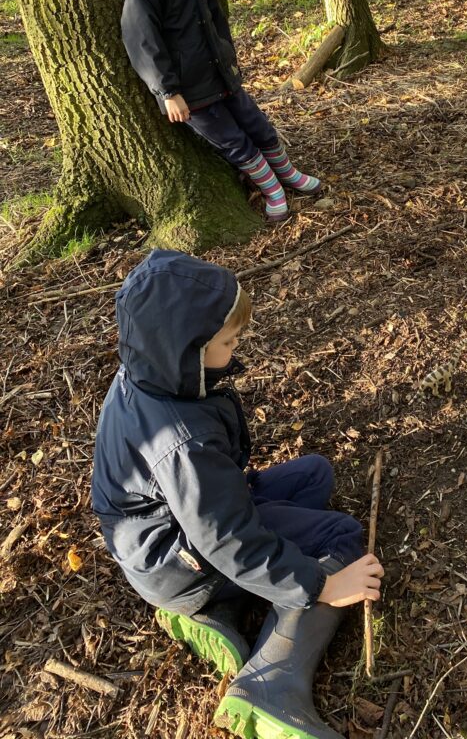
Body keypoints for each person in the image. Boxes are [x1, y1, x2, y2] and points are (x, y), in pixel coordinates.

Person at [92, 249, 384, 739]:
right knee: (339, 537)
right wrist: (320, 586)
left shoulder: (150, 374)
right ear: (189, 349)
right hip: (181, 559)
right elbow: (225, 538)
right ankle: (271, 683)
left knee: (315, 475)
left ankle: (225, 608)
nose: (238, 348)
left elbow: (207, 502)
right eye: (229, 341)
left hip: (168, 535)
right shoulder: (181, 441)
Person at [121, 0, 320, 223]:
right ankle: (272, 189)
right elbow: (142, 42)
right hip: (192, 91)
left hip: (220, 72)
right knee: (233, 141)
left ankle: (288, 174)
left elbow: (213, 16)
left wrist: (226, 54)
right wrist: (168, 91)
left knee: (256, 125)